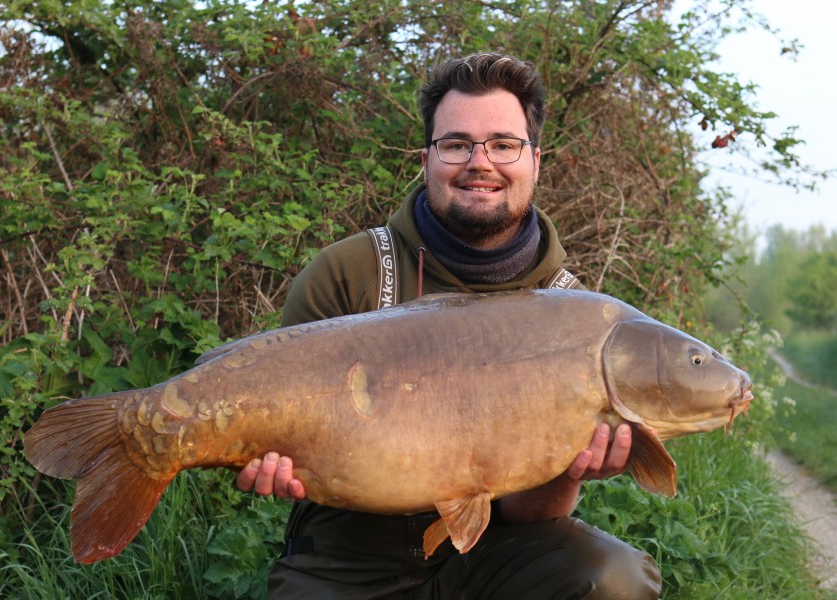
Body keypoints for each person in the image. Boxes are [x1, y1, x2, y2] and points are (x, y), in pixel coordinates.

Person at [237, 52, 663, 599]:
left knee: (615, 580)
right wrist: (265, 454)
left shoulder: (577, 316)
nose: (479, 162)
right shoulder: (347, 274)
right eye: (456, 144)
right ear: (426, 159)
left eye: (503, 145)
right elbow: (283, 432)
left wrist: (569, 467)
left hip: (497, 552)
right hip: (347, 556)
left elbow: (529, 510)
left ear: (535, 161)